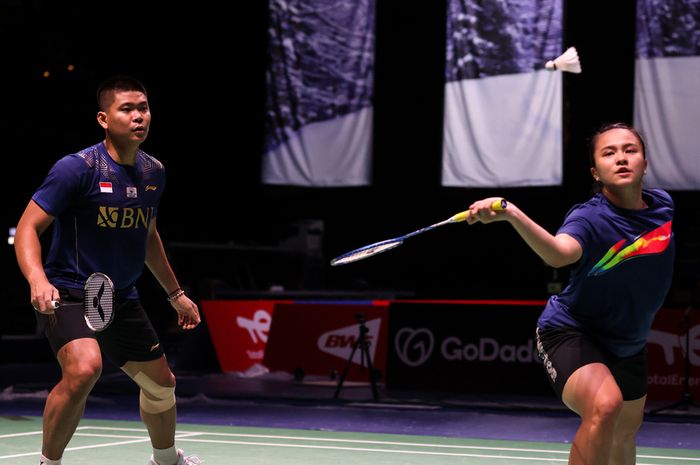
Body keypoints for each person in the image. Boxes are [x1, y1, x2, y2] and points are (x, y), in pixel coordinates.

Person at [14, 75, 202, 465]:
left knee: (162, 387)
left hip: (121, 297)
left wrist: (175, 294)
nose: (139, 117)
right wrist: (37, 279)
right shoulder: (76, 169)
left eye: (144, 108)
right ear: (103, 118)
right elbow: (28, 227)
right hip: (69, 292)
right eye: (127, 109)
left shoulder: (154, 172)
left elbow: (148, 236)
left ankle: (166, 460)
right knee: (84, 370)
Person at [466, 122, 674, 465]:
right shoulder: (589, 218)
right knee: (605, 405)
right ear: (596, 172)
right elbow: (559, 253)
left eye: (630, 150)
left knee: (625, 430)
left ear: (645, 163)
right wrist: (512, 214)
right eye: (609, 153)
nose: (621, 158)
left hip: (628, 341)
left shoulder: (663, 206)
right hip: (571, 331)